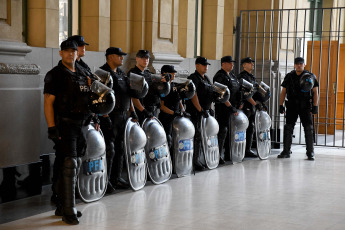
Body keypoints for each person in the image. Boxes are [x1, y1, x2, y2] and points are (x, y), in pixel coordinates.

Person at [44, 40, 93, 225]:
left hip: (82, 124)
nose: (70, 54)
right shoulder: (55, 75)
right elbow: (48, 101)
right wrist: (51, 127)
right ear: (60, 53)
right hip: (65, 124)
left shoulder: (82, 73)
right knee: (70, 163)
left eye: (73, 51)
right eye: (66, 51)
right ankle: (68, 210)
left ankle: (62, 204)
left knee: (76, 162)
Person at [99, 47, 138, 192]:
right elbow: (101, 97)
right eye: (119, 56)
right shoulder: (103, 73)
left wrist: (132, 112)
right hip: (110, 116)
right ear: (109, 57)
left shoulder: (121, 73)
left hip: (123, 115)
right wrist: (104, 116)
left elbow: (128, 95)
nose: (122, 58)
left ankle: (116, 178)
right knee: (110, 149)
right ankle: (106, 180)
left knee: (120, 147)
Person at [277, 57, 319, 160]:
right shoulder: (289, 76)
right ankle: (286, 151)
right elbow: (283, 92)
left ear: (304, 64)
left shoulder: (310, 76)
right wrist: (280, 105)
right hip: (291, 105)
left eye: (301, 63)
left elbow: (315, 92)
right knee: (288, 128)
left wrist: (315, 106)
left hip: (305, 105)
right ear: (294, 65)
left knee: (308, 128)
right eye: (297, 64)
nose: (299, 65)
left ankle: (310, 152)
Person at [185, 56, 213, 171]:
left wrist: (209, 108)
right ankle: (194, 161)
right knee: (196, 136)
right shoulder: (193, 78)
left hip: (204, 112)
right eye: (204, 65)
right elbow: (193, 95)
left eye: (207, 65)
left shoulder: (206, 78)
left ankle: (200, 158)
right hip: (195, 112)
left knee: (202, 136)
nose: (206, 67)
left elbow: (210, 93)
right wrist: (199, 109)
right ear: (197, 65)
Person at [213, 56, 242, 164]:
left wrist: (239, 103)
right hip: (223, 108)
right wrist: (230, 107)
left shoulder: (232, 76)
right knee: (223, 131)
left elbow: (238, 89)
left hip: (233, 107)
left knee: (231, 131)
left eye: (232, 63)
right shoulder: (220, 76)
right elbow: (222, 95)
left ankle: (229, 154)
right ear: (223, 64)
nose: (232, 65)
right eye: (229, 63)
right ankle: (218, 155)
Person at [128, 50, 166, 124]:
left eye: (147, 58)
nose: (145, 60)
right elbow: (133, 96)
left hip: (151, 110)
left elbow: (159, 83)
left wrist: (166, 78)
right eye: (142, 58)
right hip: (141, 112)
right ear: (137, 58)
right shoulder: (133, 73)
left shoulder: (148, 73)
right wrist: (143, 110)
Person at [158, 65, 187, 158]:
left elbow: (178, 100)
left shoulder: (174, 85)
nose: (174, 74)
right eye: (171, 73)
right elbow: (162, 106)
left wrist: (182, 110)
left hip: (176, 117)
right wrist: (173, 113)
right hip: (166, 118)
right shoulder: (162, 86)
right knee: (168, 140)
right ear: (165, 74)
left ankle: (175, 163)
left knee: (176, 140)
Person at [237, 57, 263, 158]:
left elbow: (255, 91)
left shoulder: (251, 77)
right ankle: (241, 149)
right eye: (249, 63)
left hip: (251, 106)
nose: (252, 64)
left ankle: (247, 149)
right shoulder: (242, 77)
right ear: (244, 65)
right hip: (245, 105)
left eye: (252, 62)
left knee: (251, 127)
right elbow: (245, 94)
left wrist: (260, 102)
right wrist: (255, 104)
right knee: (243, 127)